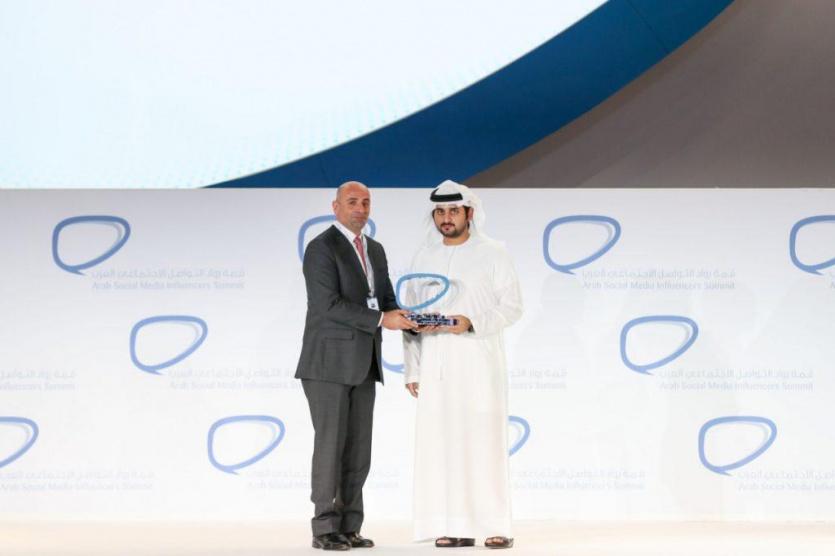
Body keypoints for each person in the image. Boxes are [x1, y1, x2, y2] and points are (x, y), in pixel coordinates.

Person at [296, 181, 417, 551]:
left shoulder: (374, 250)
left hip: (365, 363)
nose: (360, 208)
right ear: (335, 207)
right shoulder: (321, 248)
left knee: (359, 451)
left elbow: (385, 298)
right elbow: (327, 305)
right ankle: (324, 528)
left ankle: (350, 526)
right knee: (330, 447)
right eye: (352, 202)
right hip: (328, 365)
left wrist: (409, 318)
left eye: (366, 202)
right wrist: (381, 319)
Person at [403, 180, 523, 550]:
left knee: (483, 441)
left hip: (479, 363)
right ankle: (453, 525)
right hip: (436, 365)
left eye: (453, 211)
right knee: (442, 444)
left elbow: (512, 306)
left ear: (469, 212)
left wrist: (471, 322)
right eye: (440, 211)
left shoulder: (493, 252)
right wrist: (413, 369)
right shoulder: (424, 257)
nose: (446, 218)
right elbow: (410, 318)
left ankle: (495, 525)